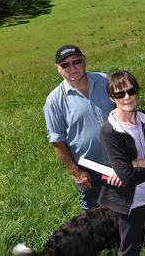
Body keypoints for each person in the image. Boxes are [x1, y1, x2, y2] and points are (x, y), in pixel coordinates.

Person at [99, 71, 145, 256]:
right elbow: (127, 176)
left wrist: (136, 162)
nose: (127, 97)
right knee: (130, 247)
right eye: (120, 94)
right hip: (130, 201)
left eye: (131, 91)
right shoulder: (109, 131)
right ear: (111, 97)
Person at [43, 45, 115, 211]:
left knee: (130, 208)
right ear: (58, 69)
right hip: (90, 170)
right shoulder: (54, 101)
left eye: (76, 61)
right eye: (65, 65)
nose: (72, 67)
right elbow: (57, 142)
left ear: (84, 61)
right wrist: (77, 172)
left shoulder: (104, 80)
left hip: (119, 158)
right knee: (96, 219)